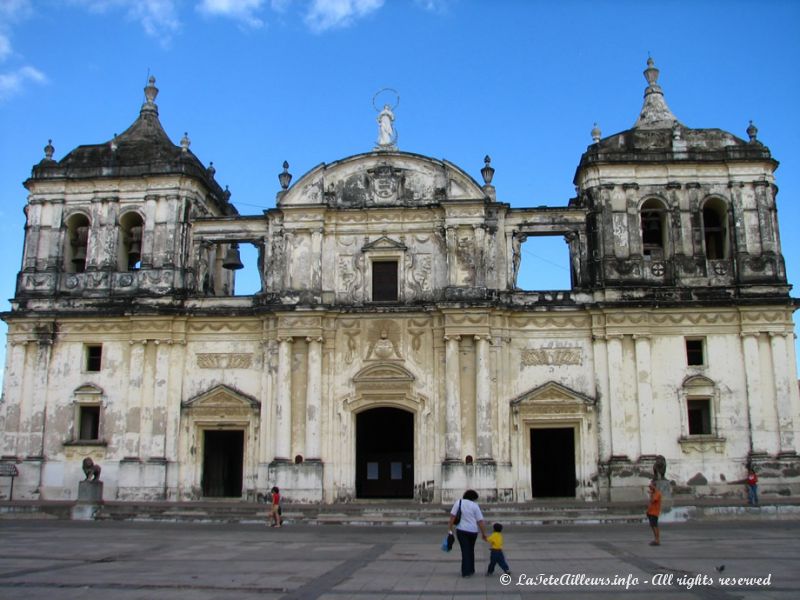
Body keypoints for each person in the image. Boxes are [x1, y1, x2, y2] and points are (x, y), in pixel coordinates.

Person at [447, 489, 488, 577]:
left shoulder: (459, 502)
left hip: (461, 530)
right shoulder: (475, 506)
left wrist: (450, 529)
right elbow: (480, 521)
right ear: (473, 498)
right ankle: (471, 569)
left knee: (465, 550)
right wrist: (484, 533)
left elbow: (452, 517)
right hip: (473, 531)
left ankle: (466, 571)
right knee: (471, 550)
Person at [646, 481, 662, 546]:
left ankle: (657, 540)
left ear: (654, 486)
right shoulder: (653, 493)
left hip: (654, 512)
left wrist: (651, 494)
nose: (649, 487)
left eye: (651, 486)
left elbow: (653, 500)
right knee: (653, 526)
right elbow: (650, 503)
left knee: (655, 526)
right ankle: (655, 539)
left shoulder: (657, 493)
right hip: (650, 512)